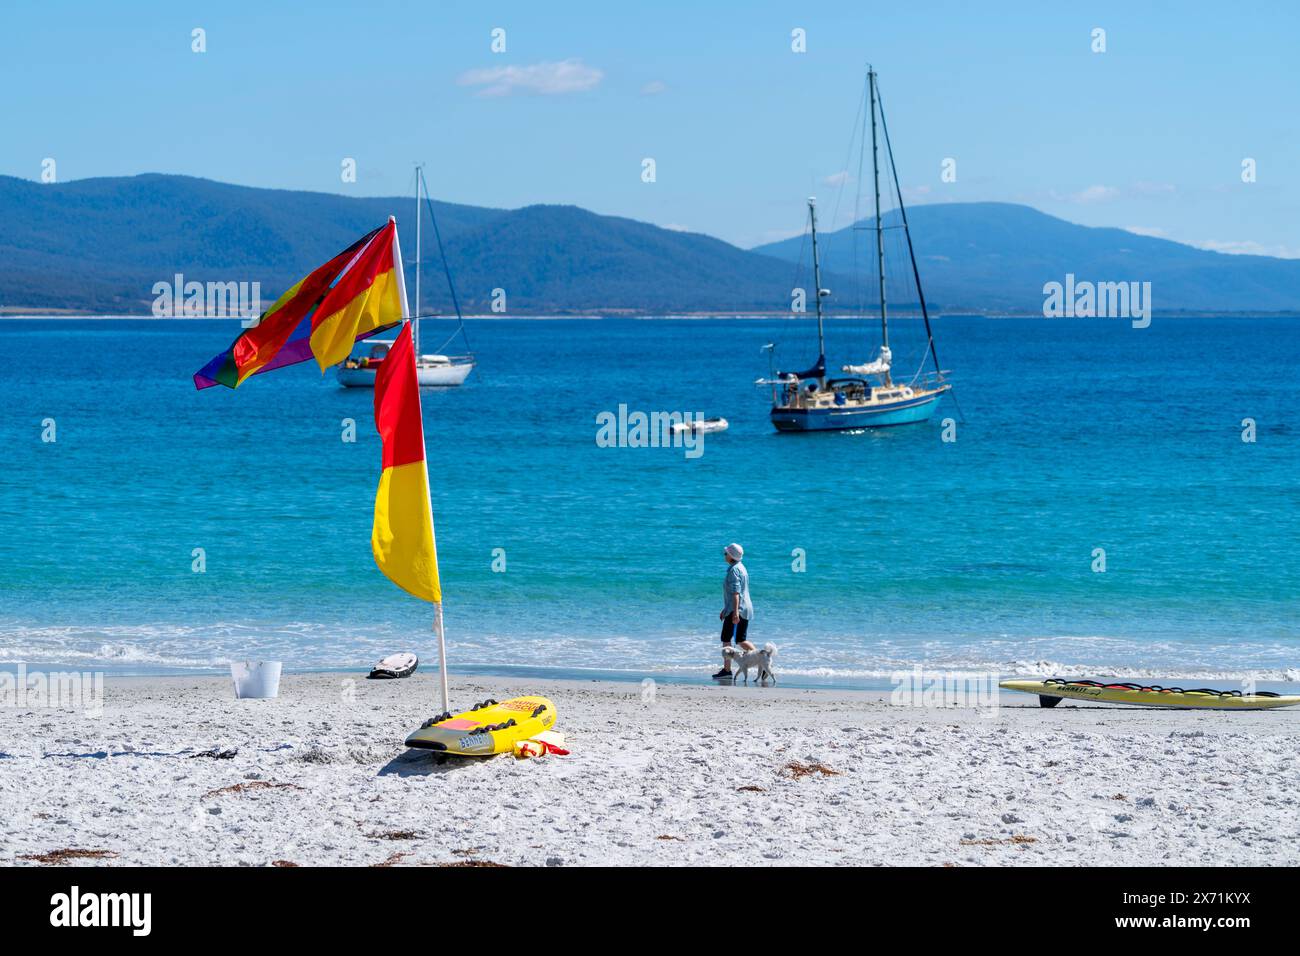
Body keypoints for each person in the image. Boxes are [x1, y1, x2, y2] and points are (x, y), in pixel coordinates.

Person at [713, 542, 755, 679]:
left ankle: (727, 670)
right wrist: (726, 609)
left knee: (726, 639)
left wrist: (735, 612)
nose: (724, 555)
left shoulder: (733, 570)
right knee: (740, 640)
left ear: (731, 556)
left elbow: (736, 593)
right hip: (743, 608)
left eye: (726, 553)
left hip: (738, 609)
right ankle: (762, 659)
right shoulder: (741, 567)